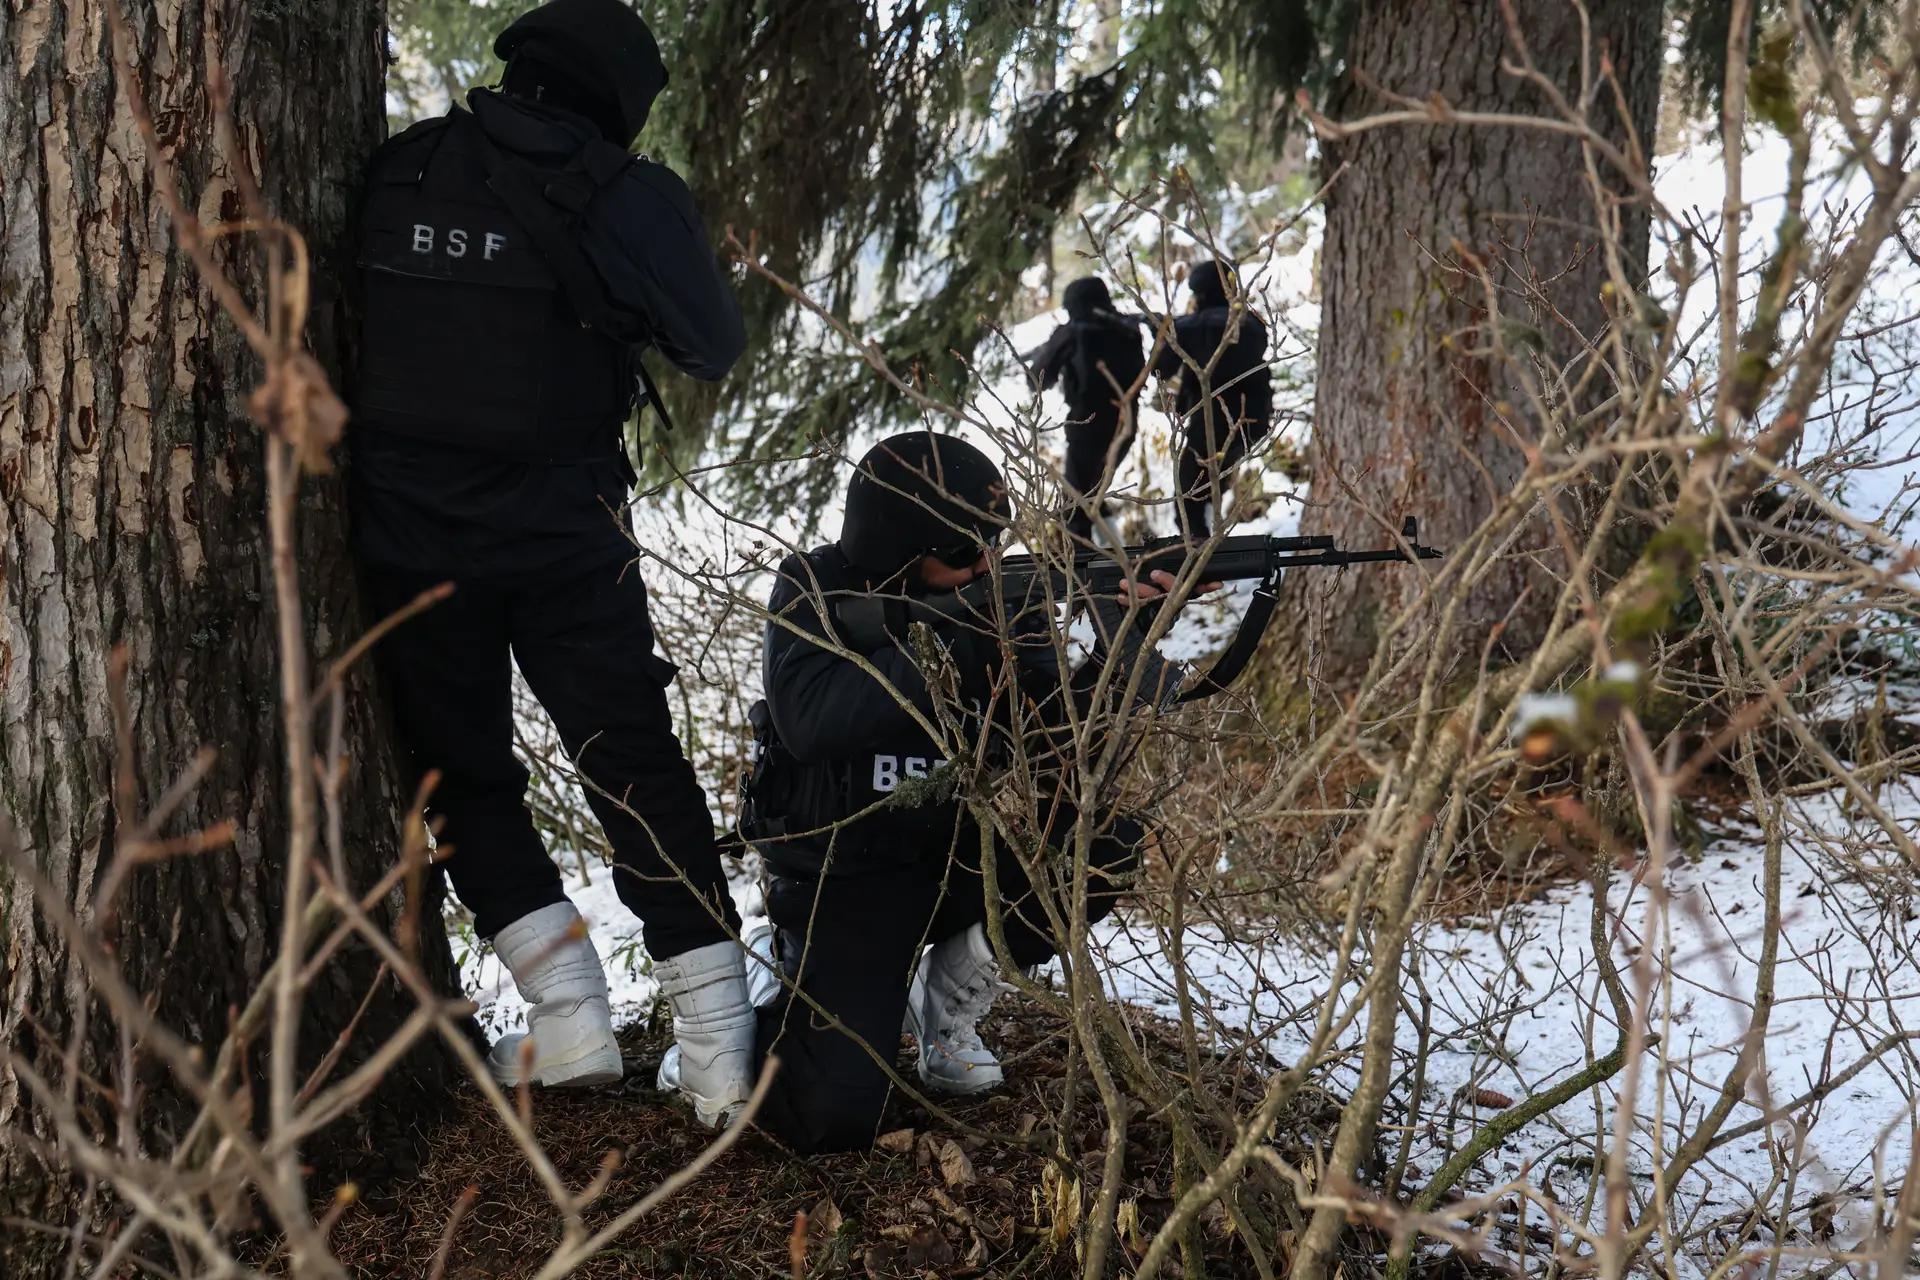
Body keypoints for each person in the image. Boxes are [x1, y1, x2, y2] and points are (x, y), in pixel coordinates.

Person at [350, 0, 757, 1125]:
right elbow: (711, 343)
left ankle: (569, 1015)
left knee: (460, 773)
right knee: (631, 765)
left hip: (408, 541)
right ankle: (721, 1054)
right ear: (619, 101)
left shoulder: (403, 169)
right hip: (564, 539)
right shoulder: (627, 195)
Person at [731, 432, 1153, 1154]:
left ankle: (946, 997)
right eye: (963, 552)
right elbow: (810, 719)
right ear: (898, 546)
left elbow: (1061, 740)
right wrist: (955, 647)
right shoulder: (813, 585)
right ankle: (765, 994)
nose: (984, 563)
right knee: (829, 1118)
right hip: (842, 879)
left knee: (1104, 845)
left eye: (990, 543)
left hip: (944, 854)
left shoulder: (988, 603)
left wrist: (1125, 631)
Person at [1151, 259, 1274, 539]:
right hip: (1253, 421)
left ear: (1201, 292)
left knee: (1188, 497)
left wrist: (1164, 333)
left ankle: (1202, 557)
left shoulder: (1194, 326)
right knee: (1207, 488)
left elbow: (1160, 369)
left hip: (1213, 425)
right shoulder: (1252, 323)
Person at [1028, 277, 1149, 540]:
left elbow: (1038, 377)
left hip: (1088, 423)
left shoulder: (1075, 331)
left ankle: (1083, 571)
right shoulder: (1128, 327)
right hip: (1126, 423)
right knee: (1093, 492)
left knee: (1076, 507)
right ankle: (1111, 552)